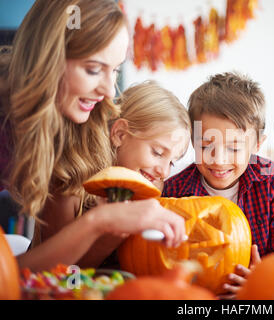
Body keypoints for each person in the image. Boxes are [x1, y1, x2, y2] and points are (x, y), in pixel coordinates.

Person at [0, 0, 186, 272]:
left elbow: (55, 273)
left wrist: (107, 227)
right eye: (94, 69)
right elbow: (11, 280)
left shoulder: (72, 128)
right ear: (49, 58)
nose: (110, 92)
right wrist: (98, 222)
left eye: (115, 70)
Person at [163, 71, 274, 298]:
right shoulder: (173, 193)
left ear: (257, 144)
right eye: (206, 145)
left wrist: (266, 276)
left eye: (234, 148)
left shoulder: (272, 182)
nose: (219, 159)